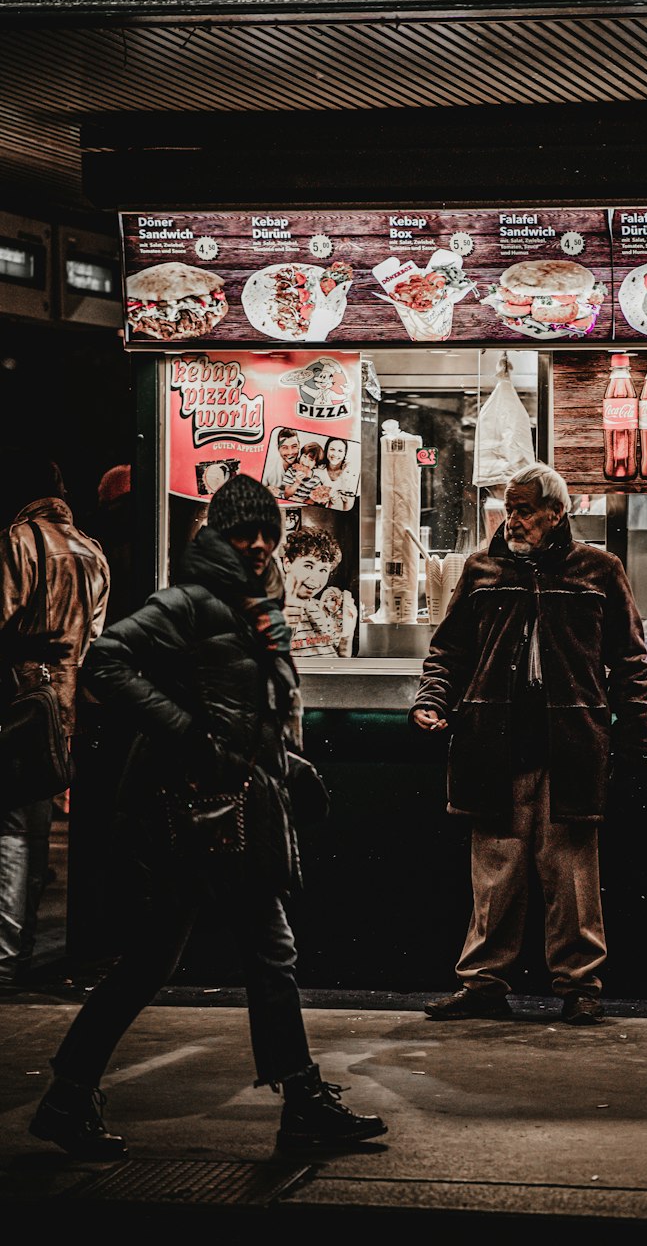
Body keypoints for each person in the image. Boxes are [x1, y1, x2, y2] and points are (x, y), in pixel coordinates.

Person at [29, 474, 386, 1159]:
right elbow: (105, 661)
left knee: (157, 960)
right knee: (259, 949)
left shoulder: (254, 604)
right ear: (218, 535)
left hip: (226, 806)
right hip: (193, 809)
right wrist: (187, 735)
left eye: (266, 532)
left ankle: (68, 1095)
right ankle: (302, 1102)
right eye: (243, 531)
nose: (257, 544)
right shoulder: (192, 600)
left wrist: (284, 766)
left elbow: (250, 712)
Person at [412, 462, 647, 1026]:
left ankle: (579, 985)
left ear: (556, 512)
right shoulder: (482, 569)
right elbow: (448, 653)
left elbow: (631, 662)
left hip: (571, 745)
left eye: (524, 510)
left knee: (571, 875)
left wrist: (641, 736)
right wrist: (432, 700)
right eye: (508, 508)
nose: (512, 520)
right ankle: (482, 983)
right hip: (492, 742)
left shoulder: (598, 569)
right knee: (494, 873)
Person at [0, 455, 109, 989]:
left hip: (24, 696)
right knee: (36, 829)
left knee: (15, 828)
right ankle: (20, 948)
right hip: (69, 705)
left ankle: (5, 953)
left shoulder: (21, 539)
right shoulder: (91, 548)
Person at [281, 526, 357, 657]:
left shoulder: (321, 608)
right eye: (308, 566)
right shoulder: (270, 607)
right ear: (287, 563)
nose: (315, 577)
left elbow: (339, 664)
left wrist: (347, 636)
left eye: (323, 570)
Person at [315, 436, 358, 511]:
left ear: (345, 453)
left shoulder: (350, 474)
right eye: (332, 449)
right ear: (326, 450)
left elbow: (350, 507)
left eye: (340, 451)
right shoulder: (318, 471)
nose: (335, 454)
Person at [282, 442, 331, 507]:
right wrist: (297, 482)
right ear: (300, 456)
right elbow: (286, 495)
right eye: (304, 456)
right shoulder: (291, 471)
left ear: (315, 464)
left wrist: (301, 502)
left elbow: (312, 501)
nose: (306, 461)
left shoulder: (316, 481)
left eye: (311, 460)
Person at [262, 427, 301, 498]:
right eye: (284, 447)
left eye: (294, 446)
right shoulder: (268, 468)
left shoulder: (307, 466)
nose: (290, 452)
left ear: (299, 445)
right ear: (278, 448)